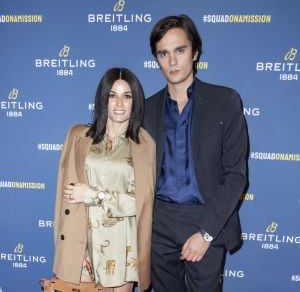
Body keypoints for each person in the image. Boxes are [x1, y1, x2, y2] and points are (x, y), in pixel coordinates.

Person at [143, 14, 248, 292]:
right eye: (163, 54)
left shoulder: (224, 101)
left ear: (195, 52)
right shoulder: (146, 109)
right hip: (159, 222)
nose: (172, 61)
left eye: (180, 50)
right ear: (157, 59)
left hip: (206, 218)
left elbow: (235, 176)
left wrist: (206, 233)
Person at [52, 67, 156, 292]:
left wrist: (93, 195)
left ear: (135, 101)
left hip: (122, 250)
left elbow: (142, 204)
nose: (120, 103)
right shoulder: (78, 136)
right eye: (112, 95)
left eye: (127, 96)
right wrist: (72, 250)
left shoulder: (144, 144)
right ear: (103, 99)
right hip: (81, 246)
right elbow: (63, 202)